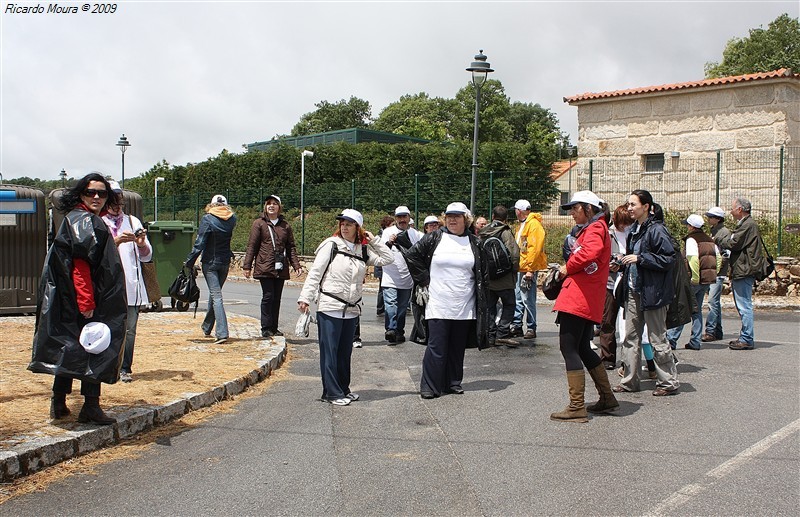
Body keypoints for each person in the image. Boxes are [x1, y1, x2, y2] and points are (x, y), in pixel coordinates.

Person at [29, 173, 127, 425]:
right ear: (81, 194)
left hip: (68, 299)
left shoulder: (76, 218)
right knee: (95, 347)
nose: (96, 197)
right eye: (90, 192)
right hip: (84, 300)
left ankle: (58, 402)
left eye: (102, 193)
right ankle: (90, 407)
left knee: (70, 347)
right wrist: (87, 303)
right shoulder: (86, 222)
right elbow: (80, 268)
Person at [297, 209, 393, 405]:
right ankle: (331, 393)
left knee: (344, 353)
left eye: (349, 224)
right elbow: (315, 273)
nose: (344, 227)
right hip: (330, 305)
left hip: (351, 309)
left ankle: (343, 389)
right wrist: (305, 298)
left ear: (358, 227)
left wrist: (373, 240)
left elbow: (388, 259)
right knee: (330, 352)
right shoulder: (331, 245)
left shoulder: (362, 249)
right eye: (342, 223)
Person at [403, 202, 489, 398]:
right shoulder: (435, 238)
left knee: (457, 347)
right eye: (449, 216)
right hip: (438, 303)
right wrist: (424, 279)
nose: (452, 220)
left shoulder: (475, 243)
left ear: (466, 220)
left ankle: (452, 382)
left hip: (464, 305)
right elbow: (412, 256)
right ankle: (430, 386)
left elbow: (482, 273)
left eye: (457, 216)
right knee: (437, 346)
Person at [551, 191, 617, 422]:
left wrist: (567, 268)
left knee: (568, 348)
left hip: (579, 297)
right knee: (582, 348)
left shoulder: (596, 228)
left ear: (588, 208)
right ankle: (607, 397)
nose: (571, 214)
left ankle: (577, 406)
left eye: (575, 208)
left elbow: (589, 253)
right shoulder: (596, 228)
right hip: (586, 297)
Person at [614, 190, 680, 396]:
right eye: (628, 204)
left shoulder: (657, 230)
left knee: (657, 338)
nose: (630, 208)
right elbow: (633, 258)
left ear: (646, 207)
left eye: (633, 204)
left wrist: (640, 259)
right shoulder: (635, 229)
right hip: (634, 290)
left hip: (653, 293)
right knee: (631, 337)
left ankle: (668, 382)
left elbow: (669, 259)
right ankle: (630, 381)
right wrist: (622, 263)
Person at [101, 180, 153, 383]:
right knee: (109, 329)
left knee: (129, 331)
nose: (116, 206)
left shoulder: (133, 222)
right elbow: (95, 253)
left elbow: (147, 255)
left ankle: (125, 368)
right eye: (112, 201)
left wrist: (141, 244)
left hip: (131, 286)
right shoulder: (98, 221)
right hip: (107, 287)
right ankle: (106, 367)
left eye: (119, 202)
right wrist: (116, 241)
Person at [243, 194, 303, 338]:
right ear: (265, 207)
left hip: (280, 266)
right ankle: (266, 327)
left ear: (279, 207)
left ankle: (274, 328)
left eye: (274, 203)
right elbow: (252, 245)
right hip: (264, 265)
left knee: (277, 298)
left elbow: (291, 247)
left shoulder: (285, 226)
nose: (271, 206)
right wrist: (247, 265)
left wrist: (296, 265)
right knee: (268, 296)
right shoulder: (259, 223)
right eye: (269, 203)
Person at [186, 194, 237, 344]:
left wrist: (189, 262)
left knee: (216, 296)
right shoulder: (232, 219)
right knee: (216, 295)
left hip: (210, 262)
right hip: (225, 262)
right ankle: (207, 327)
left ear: (212, 205)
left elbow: (200, 243)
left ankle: (222, 333)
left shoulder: (207, 219)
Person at [717, 197, 766, 350]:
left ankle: (746, 338)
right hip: (743, 269)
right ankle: (745, 336)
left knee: (744, 305)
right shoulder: (747, 224)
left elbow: (734, 243)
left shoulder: (748, 225)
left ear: (739, 209)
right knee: (743, 304)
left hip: (744, 270)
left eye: (732, 208)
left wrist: (721, 241)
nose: (730, 211)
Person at [666, 214, 721, 350]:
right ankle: (695, 340)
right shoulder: (710, 239)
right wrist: (714, 273)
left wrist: (694, 278)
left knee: (683, 308)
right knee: (696, 310)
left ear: (691, 226)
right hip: (707, 280)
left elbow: (693, 259)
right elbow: (718, 258)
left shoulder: (691, 240)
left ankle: (672, 340)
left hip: (694, 280)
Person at [378, 205, 423, 344]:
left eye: (404, 217)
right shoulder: (388, 232)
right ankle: (390, 329)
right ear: (395, 218)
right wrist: (389, 242)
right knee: (391, 304)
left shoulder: (416, 234)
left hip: (407, 278)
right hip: (390, 276)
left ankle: (399, 332)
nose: (402, 219)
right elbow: (380, 250)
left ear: (409, 218)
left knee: (402, 308)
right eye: (399, 217)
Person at [478, 205, 520, 347]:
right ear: (506, 218)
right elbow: (514, 254)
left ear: (493, 217)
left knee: (490, 307)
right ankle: (502, 333)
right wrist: (514, 271)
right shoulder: (505, 231)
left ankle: (490, 335)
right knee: (509, 304)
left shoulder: (483, 232)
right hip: (505, 278)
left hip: (488, 278)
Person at [597, 204, 633, 369]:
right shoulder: (607, 234)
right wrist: (610, 264)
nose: (625, 226)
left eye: (628, 222)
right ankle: (607, 358)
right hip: (610, 282)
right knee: (608, 320)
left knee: (630, 323)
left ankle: (630, 359)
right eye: (623, 223)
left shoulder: (634, 233)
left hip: (629, 281)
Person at [511, 199, 547, 339]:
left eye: (515, 210)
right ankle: (517, 325)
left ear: (519, 211)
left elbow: (534, 248)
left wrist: (530, 269)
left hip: (527, 268)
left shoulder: (534, 225)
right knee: (519, 297)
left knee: (528, 298)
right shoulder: (523, 225)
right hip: (522, 267)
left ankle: (531, 327)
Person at [702, 206, 731, 342]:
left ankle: (710, 331)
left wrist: (716, 267)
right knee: (715, 303)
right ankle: (717, 331)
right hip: (714, 271)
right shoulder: (715, 231)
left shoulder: (723, 232)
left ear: (718, 219)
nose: (708, 219)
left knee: (713, 302)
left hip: (718, 272)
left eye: (711, 217)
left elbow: (725, 254)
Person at [374, 215, 395, 317]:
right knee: (382, 288)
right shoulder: (381, 236)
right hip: (381, 266)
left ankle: (381, 308)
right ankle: (380, 308)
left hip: (384, 265)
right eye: (392, 225)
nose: (394, 227)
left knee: (382, 288)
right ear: (387, 225)